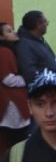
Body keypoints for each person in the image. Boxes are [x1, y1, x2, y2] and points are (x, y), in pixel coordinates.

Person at [0, 22, 30, 151]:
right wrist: (29, 78)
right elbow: (8, 79)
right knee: (19, 142)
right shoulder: (5, 52)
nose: (14, 32)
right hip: (13, 102)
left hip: (7, 101)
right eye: (9, 31)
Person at [15, 10, 56, 83]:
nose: (47, 24)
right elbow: (30, 72)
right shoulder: (24, 45)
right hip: (45, 90)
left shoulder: (39, 40)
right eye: (45, 21)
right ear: (38, 24)